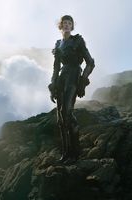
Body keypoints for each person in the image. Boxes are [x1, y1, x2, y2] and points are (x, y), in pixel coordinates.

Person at [48, 15, 95, 164]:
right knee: (60, 118)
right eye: (65, 23)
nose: (67, 25)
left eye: (70, 23)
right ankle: (66, 153)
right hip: (62, 77)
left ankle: (75, 153)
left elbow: (90, 62)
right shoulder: (58, 44)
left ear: (72, 26)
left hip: (74, 75)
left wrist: (82, 80)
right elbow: (56, 67)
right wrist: (53, 84)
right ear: (60, 26)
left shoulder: (78, 41)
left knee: (66, 112)